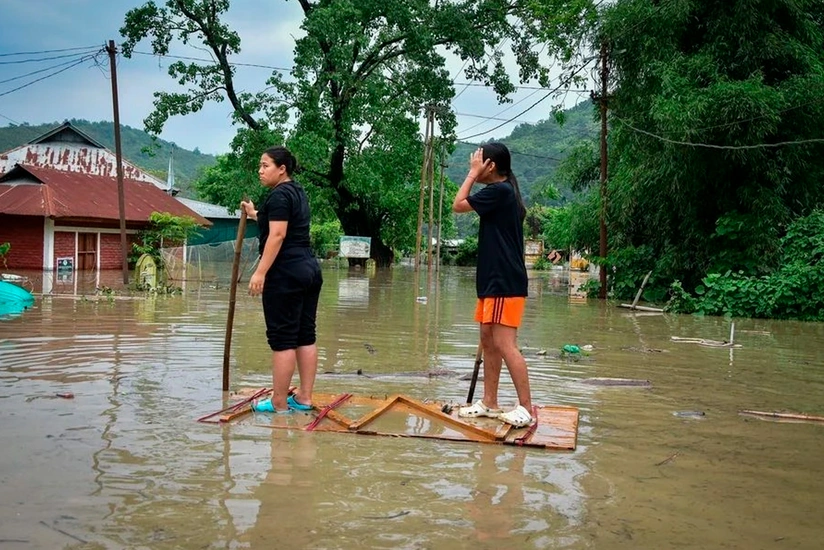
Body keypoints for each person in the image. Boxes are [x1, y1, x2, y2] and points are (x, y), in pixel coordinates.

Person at [452, 143, 533, 428]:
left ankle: (525, 408)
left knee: (504, 344)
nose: (473, 163)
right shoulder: (503, 192)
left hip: (503, 281)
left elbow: (458, 204)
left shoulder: (500, 191)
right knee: (488, 340)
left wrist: (472, 175)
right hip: (492, 281)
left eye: (478, 160)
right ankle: (489, 402)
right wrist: (476, 170)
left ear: (491, 166)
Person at [241, 146, 323, 413]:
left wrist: (260, 272)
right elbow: (280, 222)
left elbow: (277, 235)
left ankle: (278, 403)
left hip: (286, 272)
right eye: (260, 166)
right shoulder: (296, 192)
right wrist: (255, 214)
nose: (260, 171)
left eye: (265, 165)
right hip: (309, 269)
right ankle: (304, 398)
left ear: (282, 168)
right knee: (305, 335)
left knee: (283, 339)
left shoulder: (278, 196)